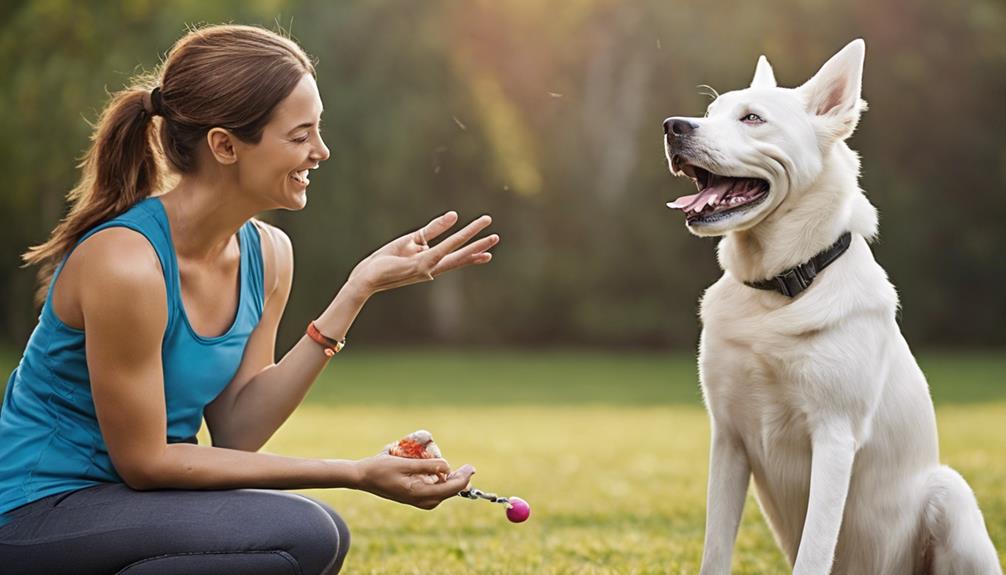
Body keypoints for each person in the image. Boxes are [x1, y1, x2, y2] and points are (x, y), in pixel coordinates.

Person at [0, 24, 497, 575]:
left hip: (129, 506)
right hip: (36, 512)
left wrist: (358, 290)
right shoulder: (126, 264)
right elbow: (144, 461)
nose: (321, 151)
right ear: (225, 145)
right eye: (300, 135)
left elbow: (239, 430)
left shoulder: (268, 254)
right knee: (305, 531)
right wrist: (352, 471)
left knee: (319, 535)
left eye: (319, 130)